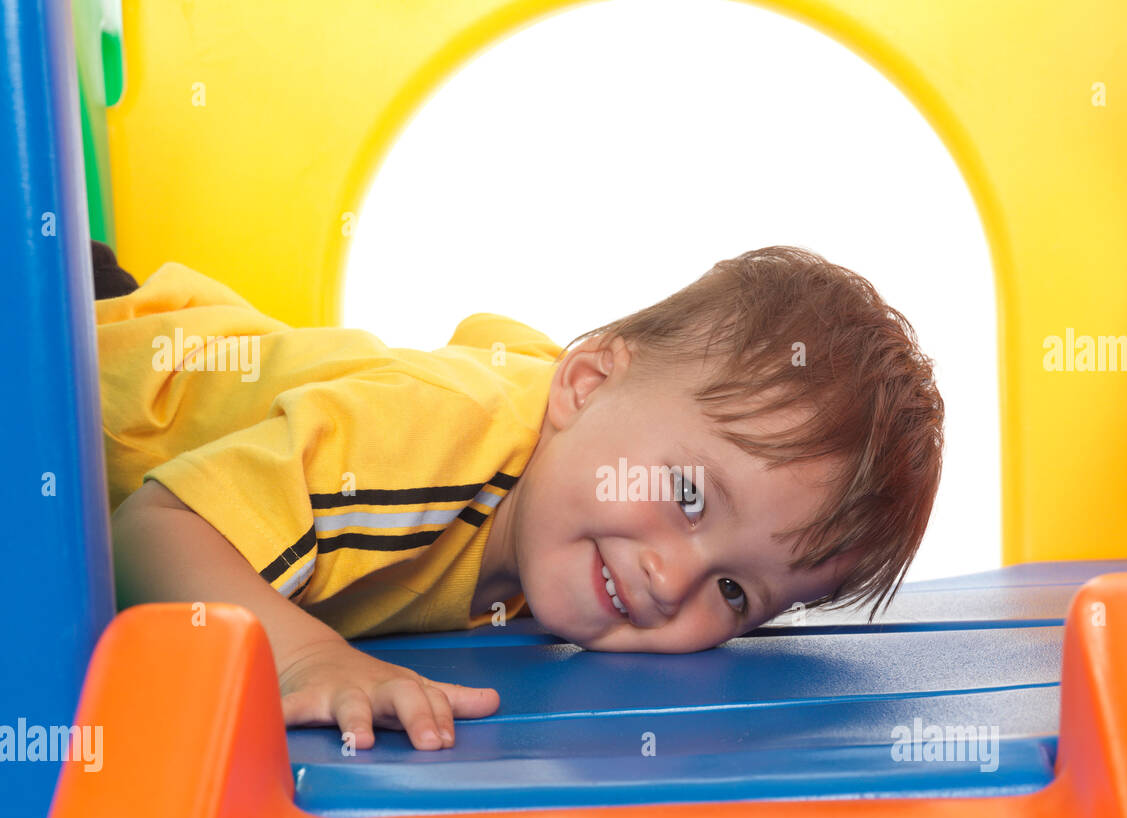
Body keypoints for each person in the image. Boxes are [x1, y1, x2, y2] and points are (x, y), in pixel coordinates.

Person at [95, 242, 944, 749]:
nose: (672, 578)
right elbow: (150, 533)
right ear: (582, 382)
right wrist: (309, 661)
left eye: (734, 590)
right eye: (687, 495)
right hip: (80, 367)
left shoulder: (563, 516)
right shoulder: (439, 434)